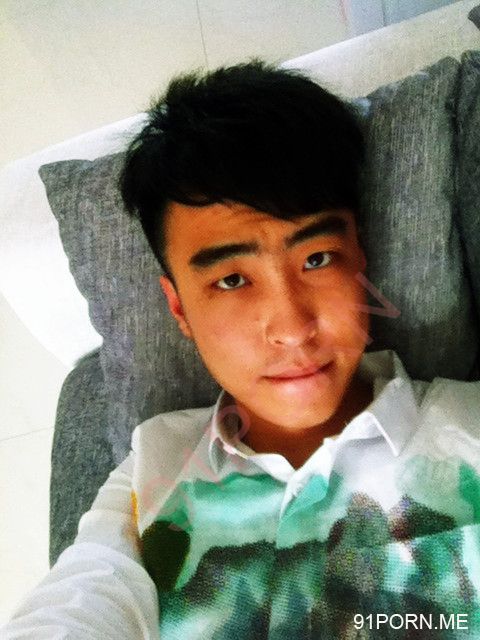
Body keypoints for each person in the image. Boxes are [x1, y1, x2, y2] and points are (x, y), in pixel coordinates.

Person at [2, 59, 480, 639]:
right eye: (231, 280)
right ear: (179, 309)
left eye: (316, 258)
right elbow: (80, 603)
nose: (292, 329)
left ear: (359, 257)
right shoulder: (150, 472)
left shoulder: (467, 428)